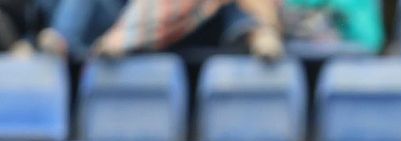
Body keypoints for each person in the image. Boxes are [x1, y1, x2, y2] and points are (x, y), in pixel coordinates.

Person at [25, 0, 284, 58]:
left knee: (234, 9)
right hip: (133, 20)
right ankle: (61, 41)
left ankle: (258, 36)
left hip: (202, 24)